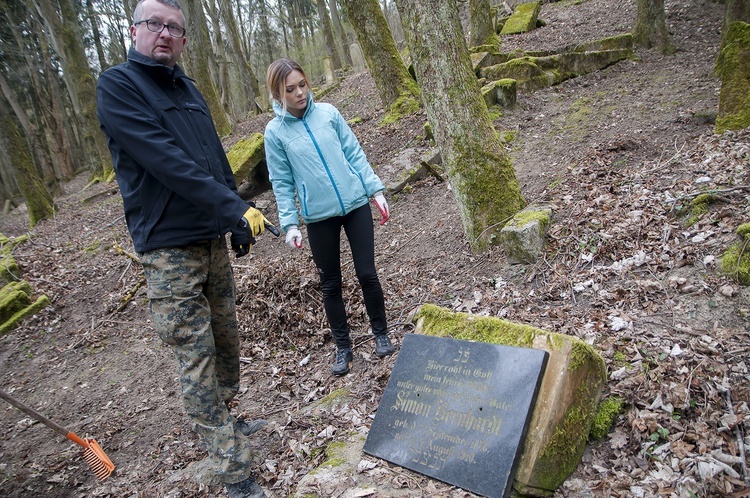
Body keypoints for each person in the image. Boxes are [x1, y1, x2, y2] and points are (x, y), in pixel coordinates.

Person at [96, 1, 270, 496]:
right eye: (155, 25)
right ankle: (233, 469)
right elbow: (165, 161)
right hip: (167, 247)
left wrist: (233, 214)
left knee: (225, 344)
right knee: (194, 356)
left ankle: (226, 423)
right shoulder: (119, 86)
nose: (166, 35)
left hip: (209, 235)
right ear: (134, 30)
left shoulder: (188, 88)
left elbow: (212, 159)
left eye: (175, 28)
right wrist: (231, 208)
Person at [264, 58, 396, 377]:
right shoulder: (275, 133)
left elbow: (354, 154)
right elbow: (281, 182)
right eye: (290, 89)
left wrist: (375, 191)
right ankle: (343, 348)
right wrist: (291, 223)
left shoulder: (329, 114)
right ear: (278, 94)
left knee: (367, 273)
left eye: (302, 85)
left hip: (354, 205)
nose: (299, 94)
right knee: (331, 284)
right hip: (318, 217)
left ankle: (381, 334)